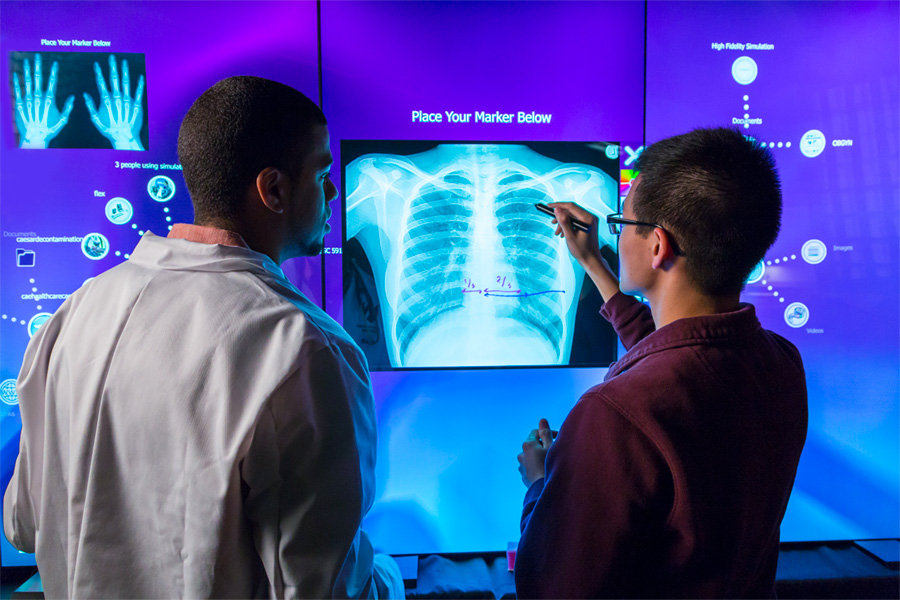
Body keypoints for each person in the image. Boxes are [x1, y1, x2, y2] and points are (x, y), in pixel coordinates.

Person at [4, 76, 404, 599]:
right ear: (274, 190)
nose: (335, 192)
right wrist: (394, 578)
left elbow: (22, 524)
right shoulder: (303, 349)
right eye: (324, 173)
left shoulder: (74, 314)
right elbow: (323, 592)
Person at [515, 127, 808, 598]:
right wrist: (594, 264)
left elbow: (552, 587)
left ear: (657, 246)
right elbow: (681, 353)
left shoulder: (613, 417)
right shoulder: (780, 363)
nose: (615, 232)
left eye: (621, 223)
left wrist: (541, 486)